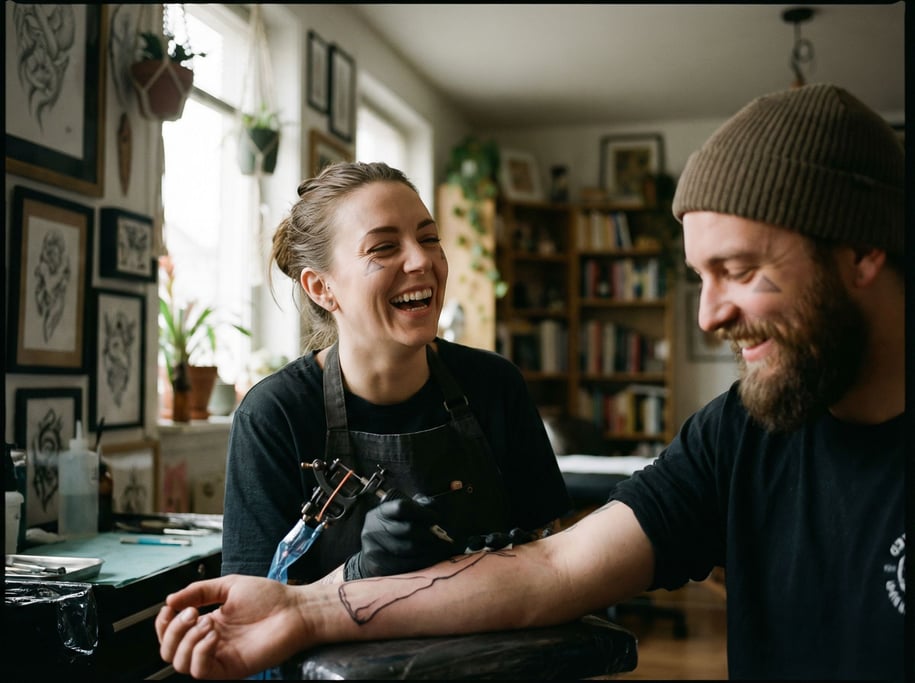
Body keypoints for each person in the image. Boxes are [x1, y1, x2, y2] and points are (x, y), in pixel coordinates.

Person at [156, 84, 905, 681]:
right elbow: (551, 567)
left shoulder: (491, 385)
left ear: (861, 250)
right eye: (698, 278)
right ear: (321, 287)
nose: (707, 316)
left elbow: (540, 545)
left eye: (739, 271)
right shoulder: (738, 432)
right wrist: (308, 606)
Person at [220, 161, 572, 586]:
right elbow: (251, 611)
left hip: (489, 645)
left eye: (429, 238)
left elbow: (553, 553)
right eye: (383, 248)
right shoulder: (274, 415)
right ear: (321, 288)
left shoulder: (495, 386)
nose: (422, 259)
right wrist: (359, 573)